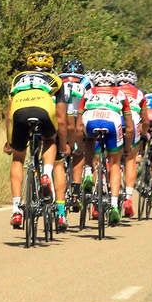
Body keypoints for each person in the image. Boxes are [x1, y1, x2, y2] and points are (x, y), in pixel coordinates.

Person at [4, 50, 69, 229]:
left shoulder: (18, 78)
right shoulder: (57, 81)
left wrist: (9, 140)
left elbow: (9, 114)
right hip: (43, 111)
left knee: (18, 157)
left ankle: (16, 210)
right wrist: (62, 144)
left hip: (20, 112)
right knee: (49, 140)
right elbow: (62, 118)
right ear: (50, 67)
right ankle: (46, 175)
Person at [80, 69, 135, 225]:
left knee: (89, 140)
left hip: (90, 120)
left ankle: (89, 171)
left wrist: (80, 145)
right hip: (112, 121)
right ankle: (113, 206)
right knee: (115, 163)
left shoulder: (89, 92)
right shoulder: (120, 94)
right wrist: (127, 148)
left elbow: (78, 122)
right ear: (114, 83)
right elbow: (130, 128)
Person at [58, 58, 93, 218]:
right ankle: (76, 193)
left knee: (57, 153)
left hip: (59, 119)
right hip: (78, 119)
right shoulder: (86, 81)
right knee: (79, 153)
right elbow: (90, 102)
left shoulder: (58, 77)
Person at [116, 69, 149, 217]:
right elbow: (146, 120)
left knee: (113, 159)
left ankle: (109, 194)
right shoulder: (139, 93)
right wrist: (143, 135)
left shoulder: (114, 90)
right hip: (133, 120)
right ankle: (128, 198)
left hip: (117, 119)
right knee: (130, 159)